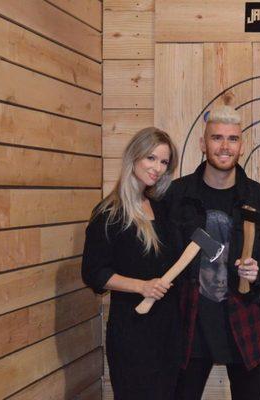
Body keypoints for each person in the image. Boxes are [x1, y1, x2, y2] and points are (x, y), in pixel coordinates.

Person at [165, 105, 260, 400]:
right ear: (203, 144)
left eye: (232, 139)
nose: (225, 146)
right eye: (217, 138)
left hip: (244, 322)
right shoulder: (176, 195)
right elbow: (162, 251)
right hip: (189, 321)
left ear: (241, 146)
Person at [81, 127, 182, 400]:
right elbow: (93, 273)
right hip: (132, 332)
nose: (157, 168)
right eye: (151, 158)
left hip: (168, 331)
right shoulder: (109, 213)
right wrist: (141, 286)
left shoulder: (160, 208)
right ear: (133, 157)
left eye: (163, 162)